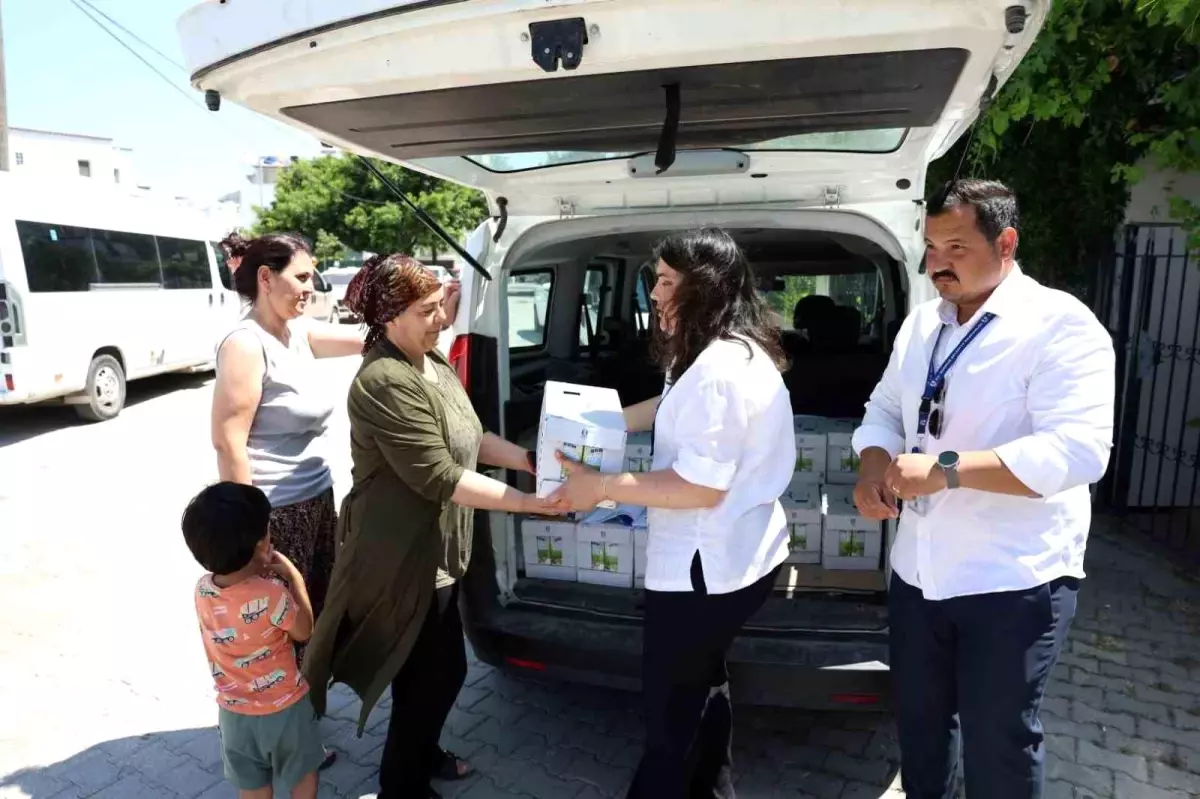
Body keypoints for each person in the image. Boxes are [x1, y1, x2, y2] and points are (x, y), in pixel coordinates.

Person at [850, 179, 1115, 799]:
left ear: (1007, 242)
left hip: (1013, 583)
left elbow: (1077, 451)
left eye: (956, 246)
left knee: (999, 743)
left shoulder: (1060, 326)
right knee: (919, 731)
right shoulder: (921, 326)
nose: (936, 262)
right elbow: (884, 408)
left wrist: (945, 468)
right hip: (919, 574)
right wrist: (872, 466)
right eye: (931, 245)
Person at [300, 254, 558, 799]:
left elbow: (472, 436)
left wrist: (531, 463)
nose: (441, 318)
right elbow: (441, 473)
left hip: (438, 546)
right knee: (426, 678)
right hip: (399, 556)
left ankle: (422, 753)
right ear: (389, 315)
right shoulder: (384, 380)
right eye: (427, 309)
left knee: (438, 674)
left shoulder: (430, 361)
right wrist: (531, 505)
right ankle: (401, 784)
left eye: (441, 305)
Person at [549, 227, 796, 799]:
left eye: (664, 281)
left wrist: (600, 489)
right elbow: (668, 403)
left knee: (669, 711)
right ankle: (715, 788)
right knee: (704, 681)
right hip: (733, 556)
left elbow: (698, 487)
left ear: (702, 288)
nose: (654, 293)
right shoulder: (710, 350)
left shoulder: (720, 370)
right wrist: (600, 420)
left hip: (706, 567)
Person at [210, 232, 366, 771]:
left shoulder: (294, 333)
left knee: (314, 615)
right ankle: (283, 739)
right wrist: (252, 534)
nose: (312, 286)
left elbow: (368, 339)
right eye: (302, 276)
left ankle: (298, 721)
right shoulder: (244, 344)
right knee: (284, 627)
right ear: (264, 277)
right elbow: (229, 442)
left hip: (317, 499)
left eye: (313, 275)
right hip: (275, 512)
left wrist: (423, 311)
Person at [183, 481, 323, 799]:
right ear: (262, 545)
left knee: (253, 788)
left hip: (234, 716)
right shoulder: (273, 594)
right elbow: (304, 631)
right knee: (302, 775)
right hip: (286, 711)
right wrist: (294, 578)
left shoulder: (203, 590)